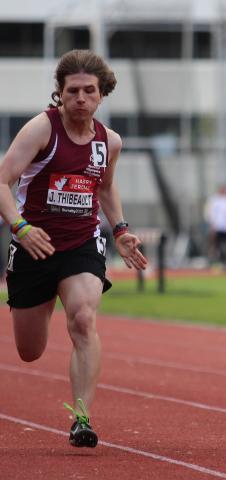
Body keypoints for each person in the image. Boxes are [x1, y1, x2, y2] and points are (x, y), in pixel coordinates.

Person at [0, 49, 147, 448]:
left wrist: (119, 230)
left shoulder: (108, 142)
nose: (80, 98)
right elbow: (2, 180)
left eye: (89, 91)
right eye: (72, 91)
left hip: (82, 243)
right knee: (30, 351)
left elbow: (105, 187)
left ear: (101, 95)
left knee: (83, 319)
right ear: (60, 94)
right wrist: (20, 226)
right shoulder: (41, 129)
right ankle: (42, 299)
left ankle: (81, 417)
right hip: (35, 244)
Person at [204, 185, 226, 271]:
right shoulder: (214, 200)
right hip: (217, 227)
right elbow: (209, 213)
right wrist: (212, 225)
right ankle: (218, 263)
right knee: (217, 246)